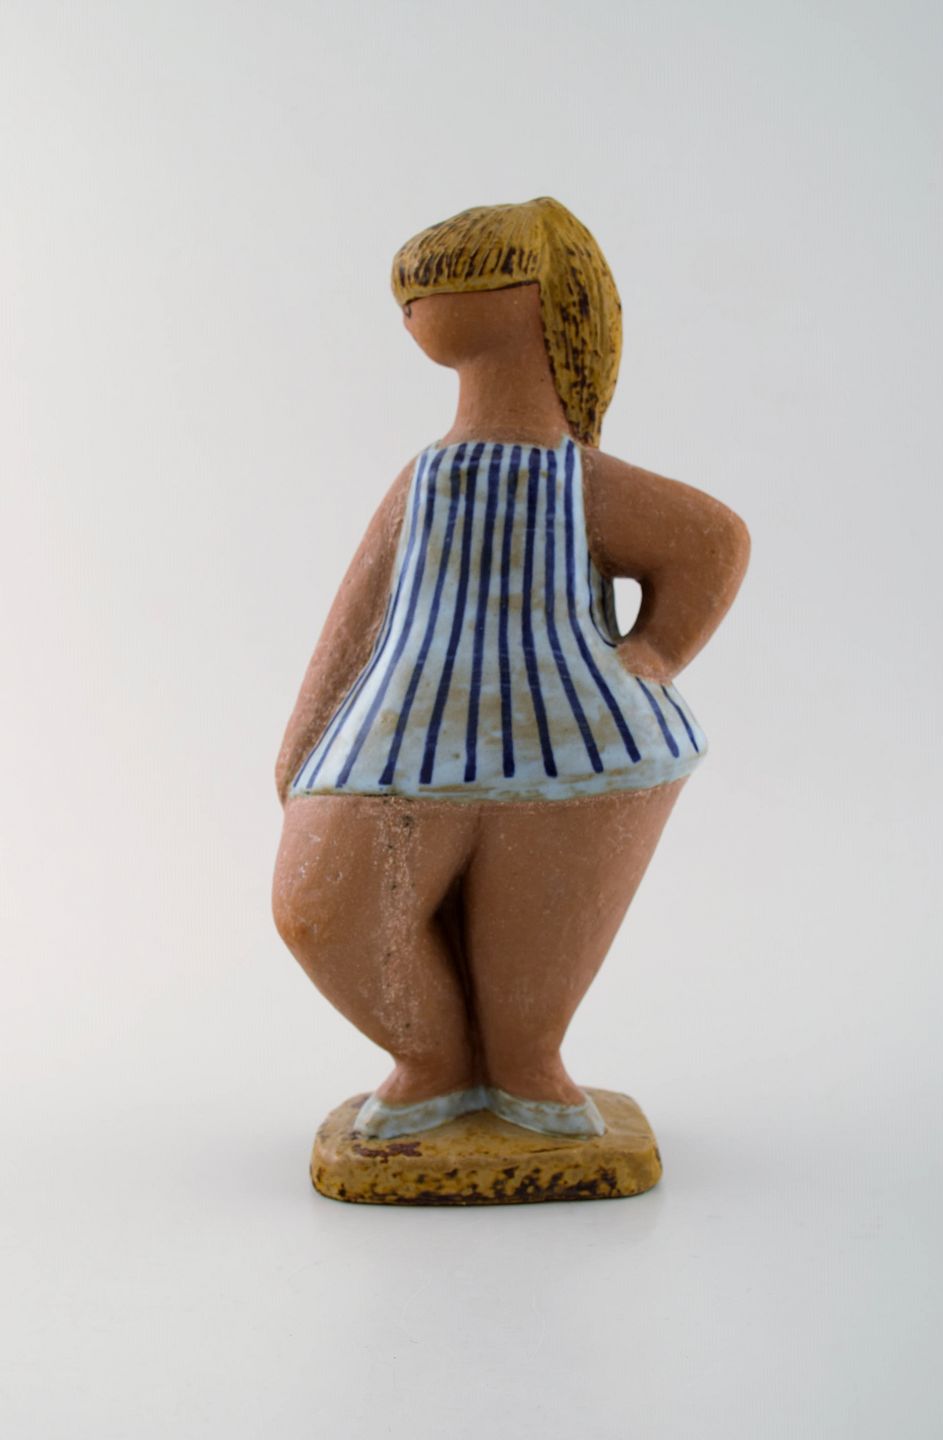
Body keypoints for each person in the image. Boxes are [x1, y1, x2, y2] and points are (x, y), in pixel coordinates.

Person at [272, 197, 750, 1140]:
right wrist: (303, 740)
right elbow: (354, 618)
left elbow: (711, 542)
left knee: (530, 971)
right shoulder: (424, 480)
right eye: (409, 291)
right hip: (400, 739)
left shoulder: (577, 481)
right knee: (317, 911)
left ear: (540, 299)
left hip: (581, 743)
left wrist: (655, 654)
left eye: (443, 282)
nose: (413, 307)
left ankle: (524, 1076)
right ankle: (434, 1064)